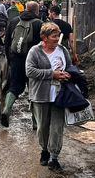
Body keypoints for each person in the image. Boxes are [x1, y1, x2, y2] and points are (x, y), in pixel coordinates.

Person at [26, 22, 72, 171]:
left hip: (60, 96)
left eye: (58, 35)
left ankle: (54, 157)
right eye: (54, 36)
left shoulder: (62, 50)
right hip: (40, 95)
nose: (57, 38)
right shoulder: (35, 51)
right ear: (44, 38)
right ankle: (44, 150)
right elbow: (30, 71)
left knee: (57, 128)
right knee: (42, 127)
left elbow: (70, 67)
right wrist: (52, 74)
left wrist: (68, 75)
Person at [1, 1, 43, 127]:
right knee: (34, 90)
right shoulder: (39, 24)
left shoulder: (14, 21)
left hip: (16, 60)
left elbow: (7, 42)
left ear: (25, 9)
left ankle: (6, 109)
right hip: (34, 62)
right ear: (37, 11)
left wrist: (10, 60)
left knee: (14, 87)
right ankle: (36, 122)